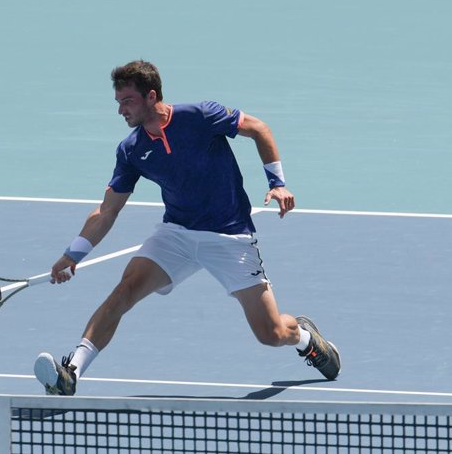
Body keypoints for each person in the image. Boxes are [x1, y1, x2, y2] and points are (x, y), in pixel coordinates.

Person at [34, 60, 340, 396]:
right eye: (119, 102)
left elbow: (259, 129)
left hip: (230, 238)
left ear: (151, 96)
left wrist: (277, 183)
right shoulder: (132, 150)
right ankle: (71, 373)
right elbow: (107, 211)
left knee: (271, 334)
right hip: (176, 235)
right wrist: (72, 254)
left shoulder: (201, 116)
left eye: (128, 101)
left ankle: (306, 338)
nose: (121, 110)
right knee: (124, 291)